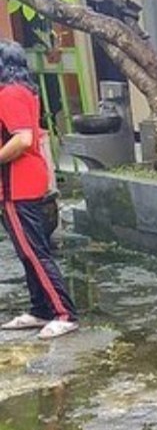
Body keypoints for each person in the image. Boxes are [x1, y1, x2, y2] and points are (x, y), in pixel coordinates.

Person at [0, 39, 78, 340]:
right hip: (22, 181)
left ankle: (64, 313)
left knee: (33, 252)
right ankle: (41, 309)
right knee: (28, 251)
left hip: (17, 184)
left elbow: (22, 139)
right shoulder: (22, 91)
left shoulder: (9, 94)